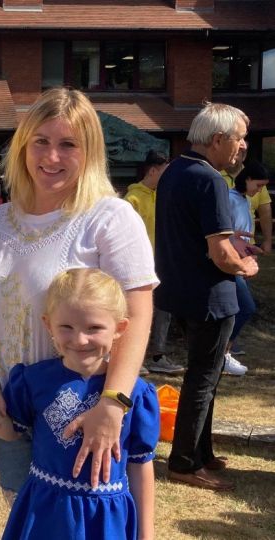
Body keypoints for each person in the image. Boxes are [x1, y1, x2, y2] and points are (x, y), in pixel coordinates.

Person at [0, 87, 157, 506]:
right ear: (23, 146)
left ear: (88, 151)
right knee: (26, 521)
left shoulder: (110, 217)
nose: (51, 157)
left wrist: (113, 404)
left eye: (67, 144)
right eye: (40, 141)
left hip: (81, 414)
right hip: (13, 410)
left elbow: (138, 315)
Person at [0, 268, 159, 540]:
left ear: (119, 328)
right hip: (45, 513)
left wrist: (147, 534)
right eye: (67, 327)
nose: (79, 339)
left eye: (94, 328)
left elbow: (140, 464)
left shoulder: (135, 394)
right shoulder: (33, 379)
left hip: (106, 518)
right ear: (48, 324)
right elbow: (11, 432)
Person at [155, 102, 258, 491]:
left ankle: (201, 451)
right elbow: (221, 254)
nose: (243, 147)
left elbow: (197, 233)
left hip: (179, 289)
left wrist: (233, 248)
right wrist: (245, 266)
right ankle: (184, 461)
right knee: (203, 378)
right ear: (217, 140)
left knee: (204, 375)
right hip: (210, 295)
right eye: (239, 138)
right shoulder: (211, 178)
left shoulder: (174, 170)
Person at [124, 150, 185, 376]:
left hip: (163, 262)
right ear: (152, 170)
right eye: (165, 173)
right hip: (137, 266)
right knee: (134, 311)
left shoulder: (163, 196)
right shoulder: (132, 200)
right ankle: (132, 357)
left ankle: (159, 356)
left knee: (164, 310)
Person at [219, 147, 272, 358]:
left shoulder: (245, 200)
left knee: (235, 308)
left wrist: (251, 248)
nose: (259, 190)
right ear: (248, 179)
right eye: (258, 185)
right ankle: (223, 350)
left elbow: (242, 233)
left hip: (243, 260)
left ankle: (225, 351)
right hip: (231, 261)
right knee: (246, 307)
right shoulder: (229, 197)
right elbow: (223, 232)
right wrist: (236, 246)